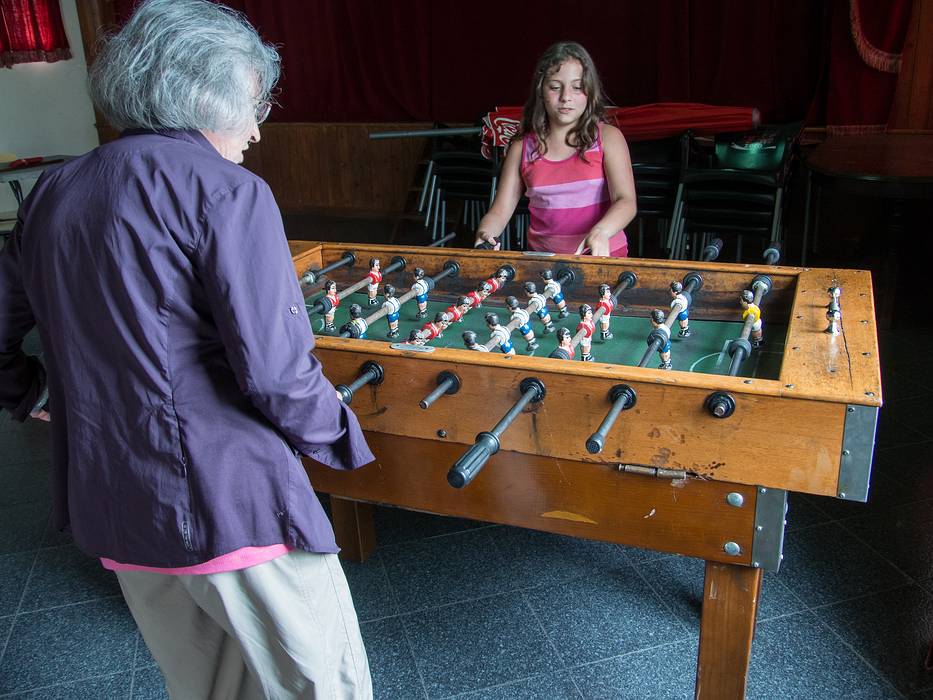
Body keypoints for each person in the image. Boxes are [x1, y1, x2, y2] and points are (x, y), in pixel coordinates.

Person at [0, 1, 374, 698]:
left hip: (113, 498)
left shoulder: (51, 191)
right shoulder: (226, 189)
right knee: (324, 687)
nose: (258, 130)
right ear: (209, 98)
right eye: (252, 105)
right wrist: (344, 437)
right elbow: (275, 372)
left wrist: (31, 391)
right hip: (230, 498)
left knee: (207, 691)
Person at [474, 42, 636, 256]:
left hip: (603, 261)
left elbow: (626, 201)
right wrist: (485, 235)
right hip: (544, 266)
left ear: (590, 92)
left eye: (577, 87)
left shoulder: (608, 138)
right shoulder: (521, 147)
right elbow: (500, 211)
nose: (565, 97)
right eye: (555, 87)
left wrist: (601, 232)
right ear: (541, 90)